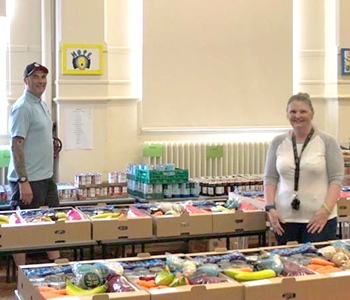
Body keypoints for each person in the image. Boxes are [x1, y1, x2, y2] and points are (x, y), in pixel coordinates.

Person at [264, 92, 344, 245]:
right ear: (287, 114)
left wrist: (325, 211)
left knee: (317, 265)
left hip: (319, 220)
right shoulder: (278, 142)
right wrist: (271, 209)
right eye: (293, 111)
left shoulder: (327, 141)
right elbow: (270, 178)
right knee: (289, 266)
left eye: (303, 111)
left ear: (312, 114)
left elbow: (336, 180)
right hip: (284, 219)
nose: (297, 116)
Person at [7, 62, 60, 264]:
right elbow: (16, 146)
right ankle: (22, 278)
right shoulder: (22, 107)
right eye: (35, 77)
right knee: (22, 229)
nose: (40, 81)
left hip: (45, 178)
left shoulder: (41, 103)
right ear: (25, 81)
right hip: (28, 181)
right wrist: (23, 181)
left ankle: (58, 267)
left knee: (52, 222)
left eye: (43, 77)